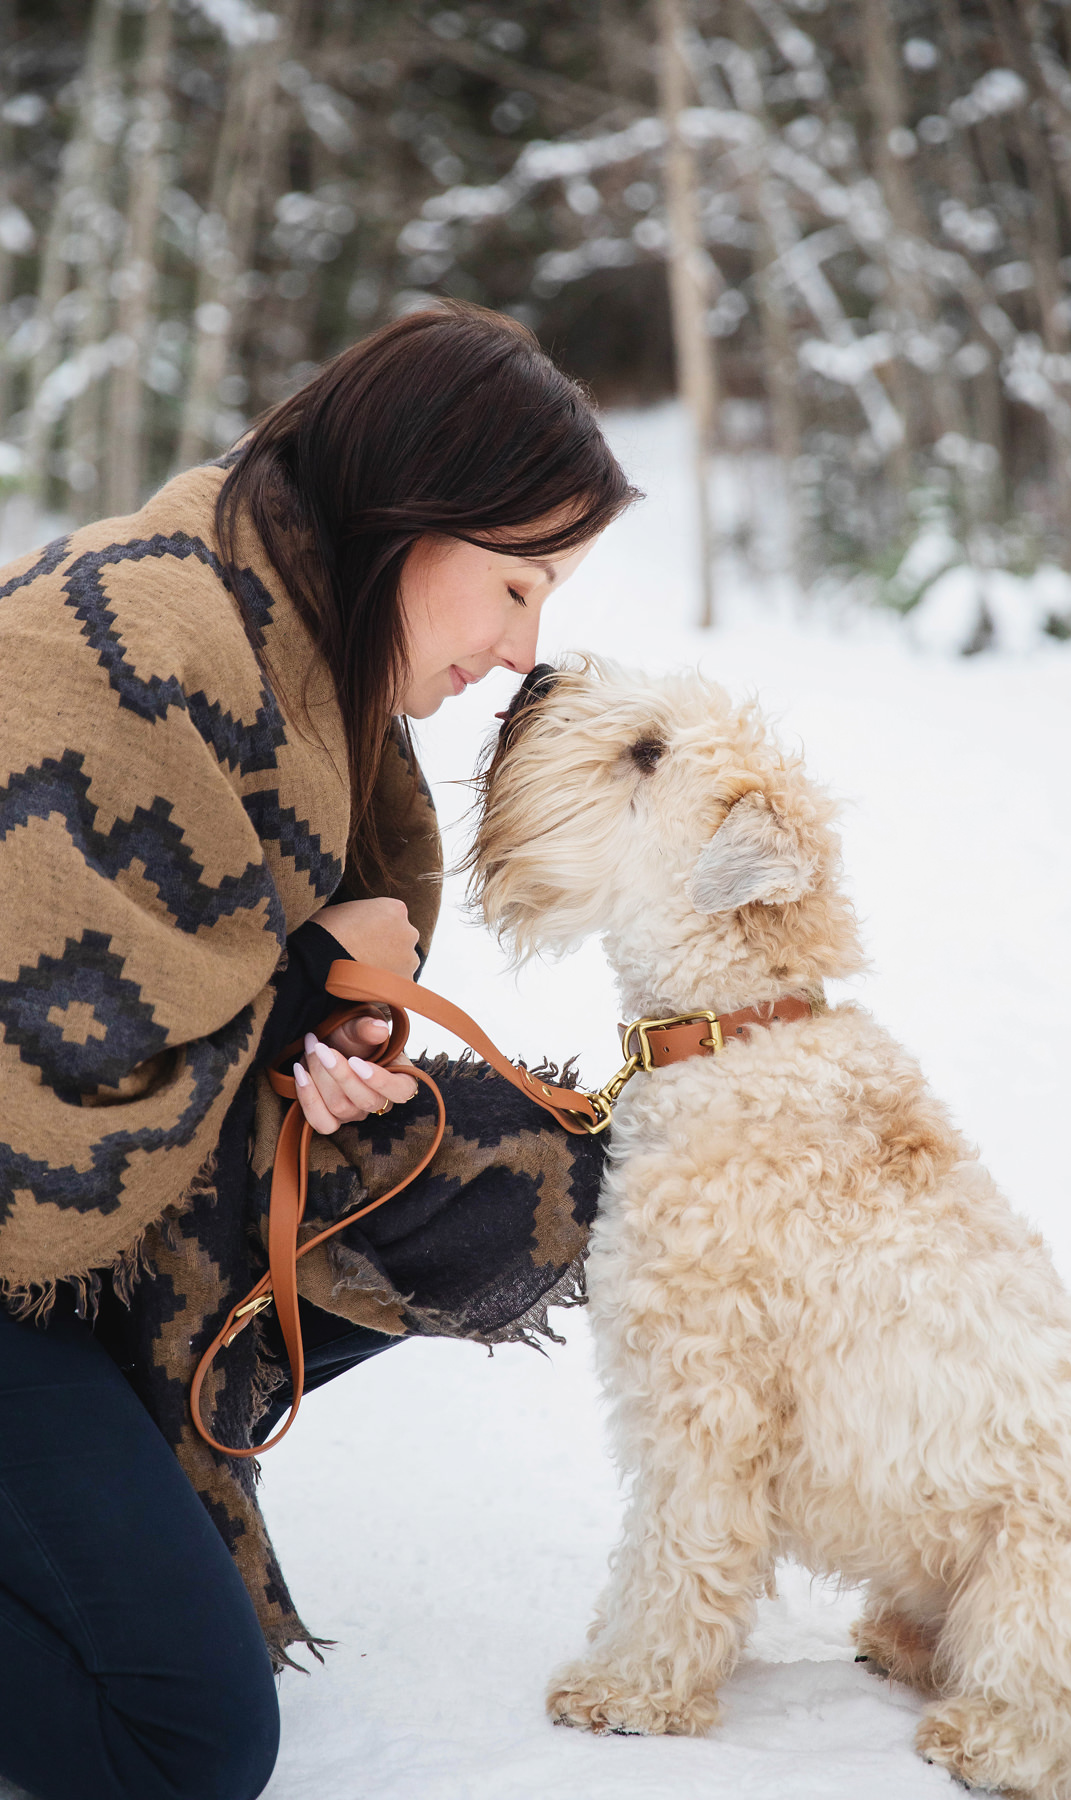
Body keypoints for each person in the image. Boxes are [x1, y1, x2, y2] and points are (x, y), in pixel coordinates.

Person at [0, 302, 637, 1800]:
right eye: (515, 584)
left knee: (541, 1172)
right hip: (23, 1231)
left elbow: (193, 957)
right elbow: (54, 1036)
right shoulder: (130, 633)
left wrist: (318, 1019)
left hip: (86, 1225)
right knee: (182, 1745)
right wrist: (297, 993)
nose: (520, 647)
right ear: (410, 515)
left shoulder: (302, 650)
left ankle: (117, 1436)